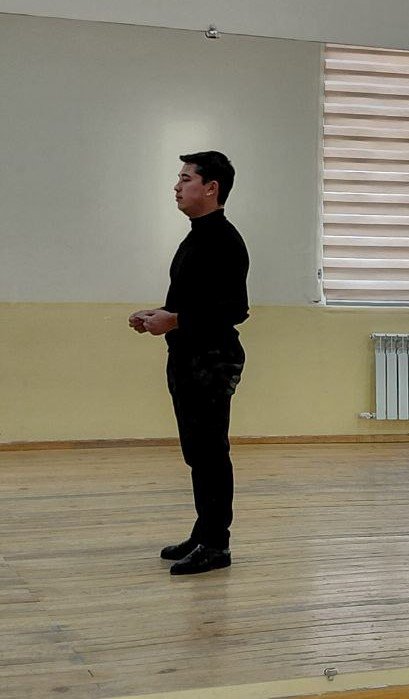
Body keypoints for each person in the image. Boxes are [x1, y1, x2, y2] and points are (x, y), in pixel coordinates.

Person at [129, 151, 249, 576]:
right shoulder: (197, 237)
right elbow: (195, 302)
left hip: (212, 361)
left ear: (211, 188)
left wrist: (176, 320)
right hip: (188, 357)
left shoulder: (224, 240)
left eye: (185, 179)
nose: (177, 187)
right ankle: (204, 532)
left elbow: (234, 309)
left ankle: (217, 544)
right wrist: (159, 315)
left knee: (211, 452)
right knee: (198, 452)